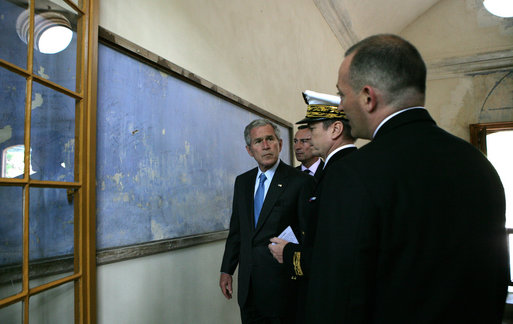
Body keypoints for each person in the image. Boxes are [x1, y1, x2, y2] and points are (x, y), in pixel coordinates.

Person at [305, 34, 509, 324]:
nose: (340, 106)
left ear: (367, 97)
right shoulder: (478, 164)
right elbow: (496, 278)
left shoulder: (355, 173)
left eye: (341, 94)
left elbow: (337, 299)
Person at [269, 90, 357, 323]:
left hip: (336, 299)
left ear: (335, 130)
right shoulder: (339, 169)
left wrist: (288, 253)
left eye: (314, 130)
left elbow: (337, 253)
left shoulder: (341, 173)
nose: (309, 137)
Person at [219, 118, 315, 324]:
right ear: (249, 149)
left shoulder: (301, 181)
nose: (265, 146)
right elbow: (237, 231)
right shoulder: (242, 182)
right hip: (248, 287)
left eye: (270, 139)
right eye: (258, 141)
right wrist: (227, 269)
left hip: (283, 290)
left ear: (280, 144)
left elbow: (310, 235)